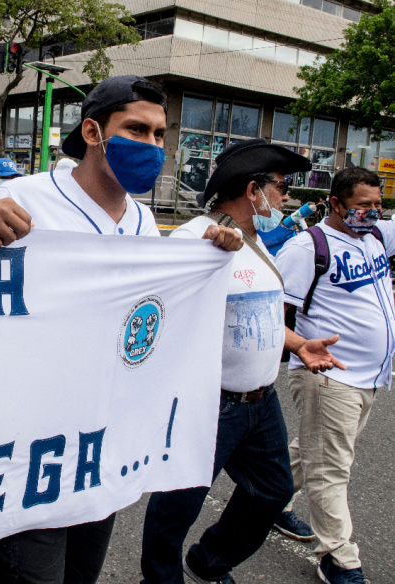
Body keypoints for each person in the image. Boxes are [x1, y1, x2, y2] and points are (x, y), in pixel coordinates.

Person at [0, 75, 242, 584]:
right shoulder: (25, 197)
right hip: (26, 446)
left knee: (80, 575)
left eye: (158, 134)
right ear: (92, 131)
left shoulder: (144, 222)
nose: (152, 145)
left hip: (100, 448)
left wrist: (208, 255)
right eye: (136, 129)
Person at [141, 138, 343, 584]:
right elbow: (160, 308)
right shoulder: (198, 236)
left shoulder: (257, 241)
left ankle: (208, 563)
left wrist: (296, 344)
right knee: (178, 503)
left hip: (260, 402)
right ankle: (159, 578)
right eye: (280, 186)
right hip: (212, 403)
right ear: (253, 189)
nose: (285, 196)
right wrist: (206, 256)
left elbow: (258, 310)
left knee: (271, 492)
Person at [275, 167, 395, 584]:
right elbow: (274, 314)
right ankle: (340, 559)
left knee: (316, 449)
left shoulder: (376, 238)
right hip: (328, 375)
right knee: (331, 467)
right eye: (364, 206)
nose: (373, 213)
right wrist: (297, 348)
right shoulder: (307, 247)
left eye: (379, 205)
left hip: (371, 377)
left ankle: (270, 499)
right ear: (337, 203)